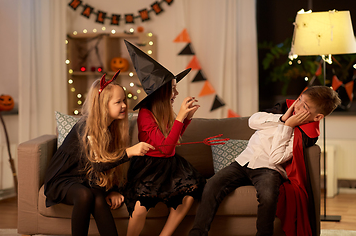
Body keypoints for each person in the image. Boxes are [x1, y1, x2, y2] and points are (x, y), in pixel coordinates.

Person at [189, 85, 341, 236]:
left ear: (317, 117)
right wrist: (282, 119)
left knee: (268, 196)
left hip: (269, 169)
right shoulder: (282, 111)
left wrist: (287, 127)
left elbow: (275, 158)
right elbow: (252, 121)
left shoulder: (303, 136)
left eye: (305, 106)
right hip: (244, 161)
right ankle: (198, 233)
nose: (297, 105)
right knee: (212, 185)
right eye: (300, 99)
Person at [44, 71, 155, 236]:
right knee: (84, 195)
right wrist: (129, 151)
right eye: (118, 102)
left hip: (87, 180)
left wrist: (114, 189)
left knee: (97, 197)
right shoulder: (86, 127)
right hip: (64, 179)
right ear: (103, 106)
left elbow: (108, 167)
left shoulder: (113, 128)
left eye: (124, 100)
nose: (124, 105)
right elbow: (98, 163)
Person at [123, 40, 206, 236]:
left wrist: (185, 120)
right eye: (173, 89)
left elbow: (173, 141)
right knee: (141, 207)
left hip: (170, 165)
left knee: (187, 197)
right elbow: (165, 148)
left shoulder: (166, 110)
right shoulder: (145, 114)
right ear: (162, 92)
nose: (176, 93)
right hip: (149, 166)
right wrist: (180, 117)